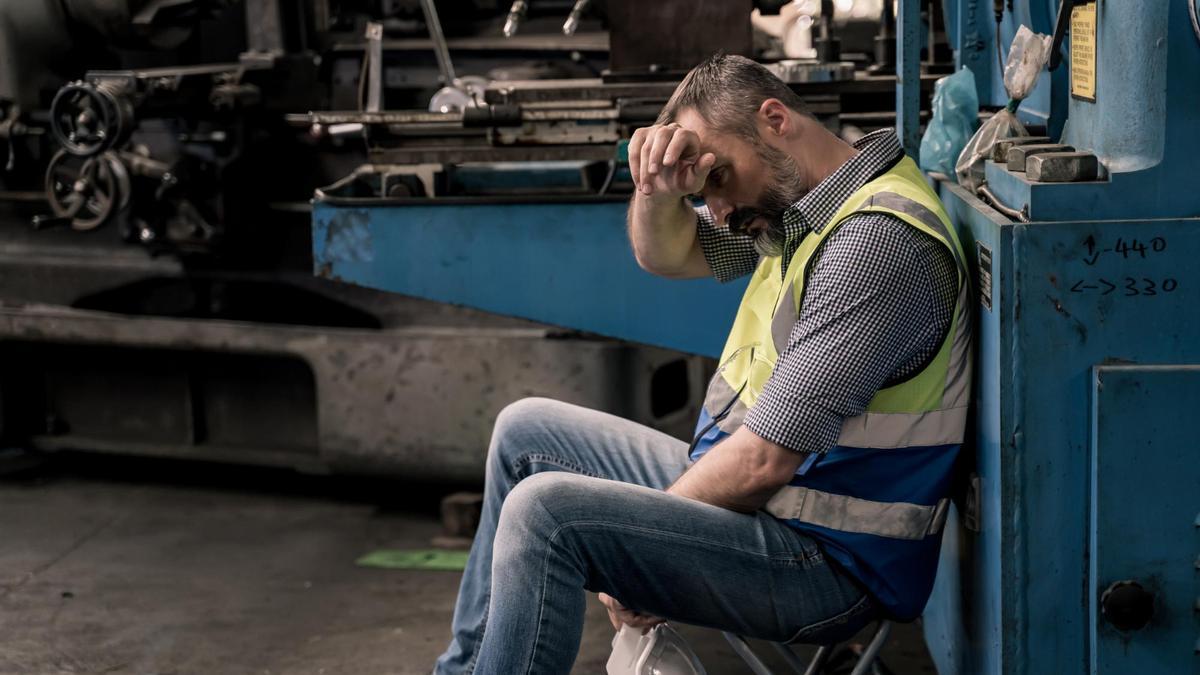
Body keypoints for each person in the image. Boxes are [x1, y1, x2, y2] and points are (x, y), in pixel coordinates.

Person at [434, 53, 972, 675]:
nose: (714, 211)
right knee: (524, 431)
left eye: (715, 178)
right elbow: (668, 253)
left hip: (828, 563)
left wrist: (639, 553)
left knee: (548, 514)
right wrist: (657, 189)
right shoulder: (798, 212)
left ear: (775, 119)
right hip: (771, 509)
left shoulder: (874, 243)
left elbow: (764, 461)